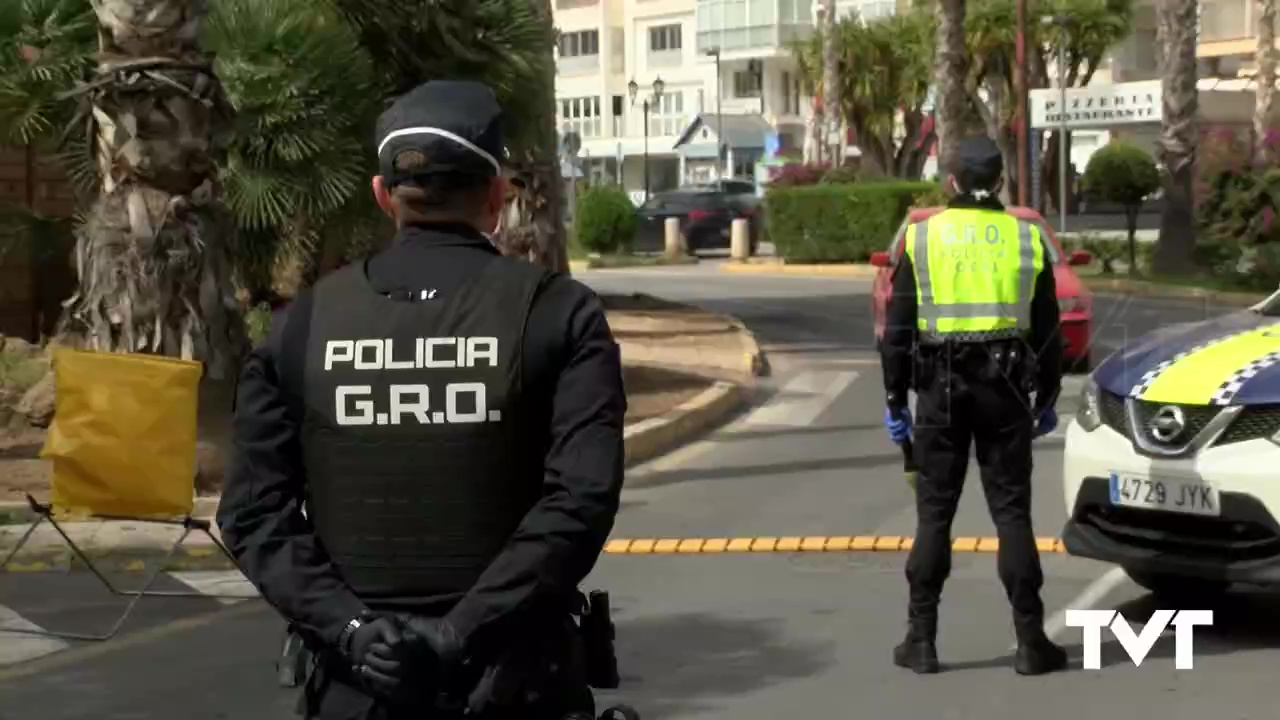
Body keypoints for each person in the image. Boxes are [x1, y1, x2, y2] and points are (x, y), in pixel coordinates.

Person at [217, 79, 630, 719]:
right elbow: (579, 501)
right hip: (515, 683)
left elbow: (251, 513)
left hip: (358, 689)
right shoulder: (557, 312)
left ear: (385, 196)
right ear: (497, 196)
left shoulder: (302, 323)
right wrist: (461, 631)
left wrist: (352, 629)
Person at [880, 135, 1069, 677]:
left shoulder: (921, 237)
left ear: (951, 181)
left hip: (939, 389)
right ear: (1002, 182)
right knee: (1011, 514)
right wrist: (1048, 395)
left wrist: (895, 398)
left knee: (934, 514)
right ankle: (1031, 642)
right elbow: (1050, 329)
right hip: (1007, 387)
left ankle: (921, 640)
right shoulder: (1027, 236)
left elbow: (896, 330)